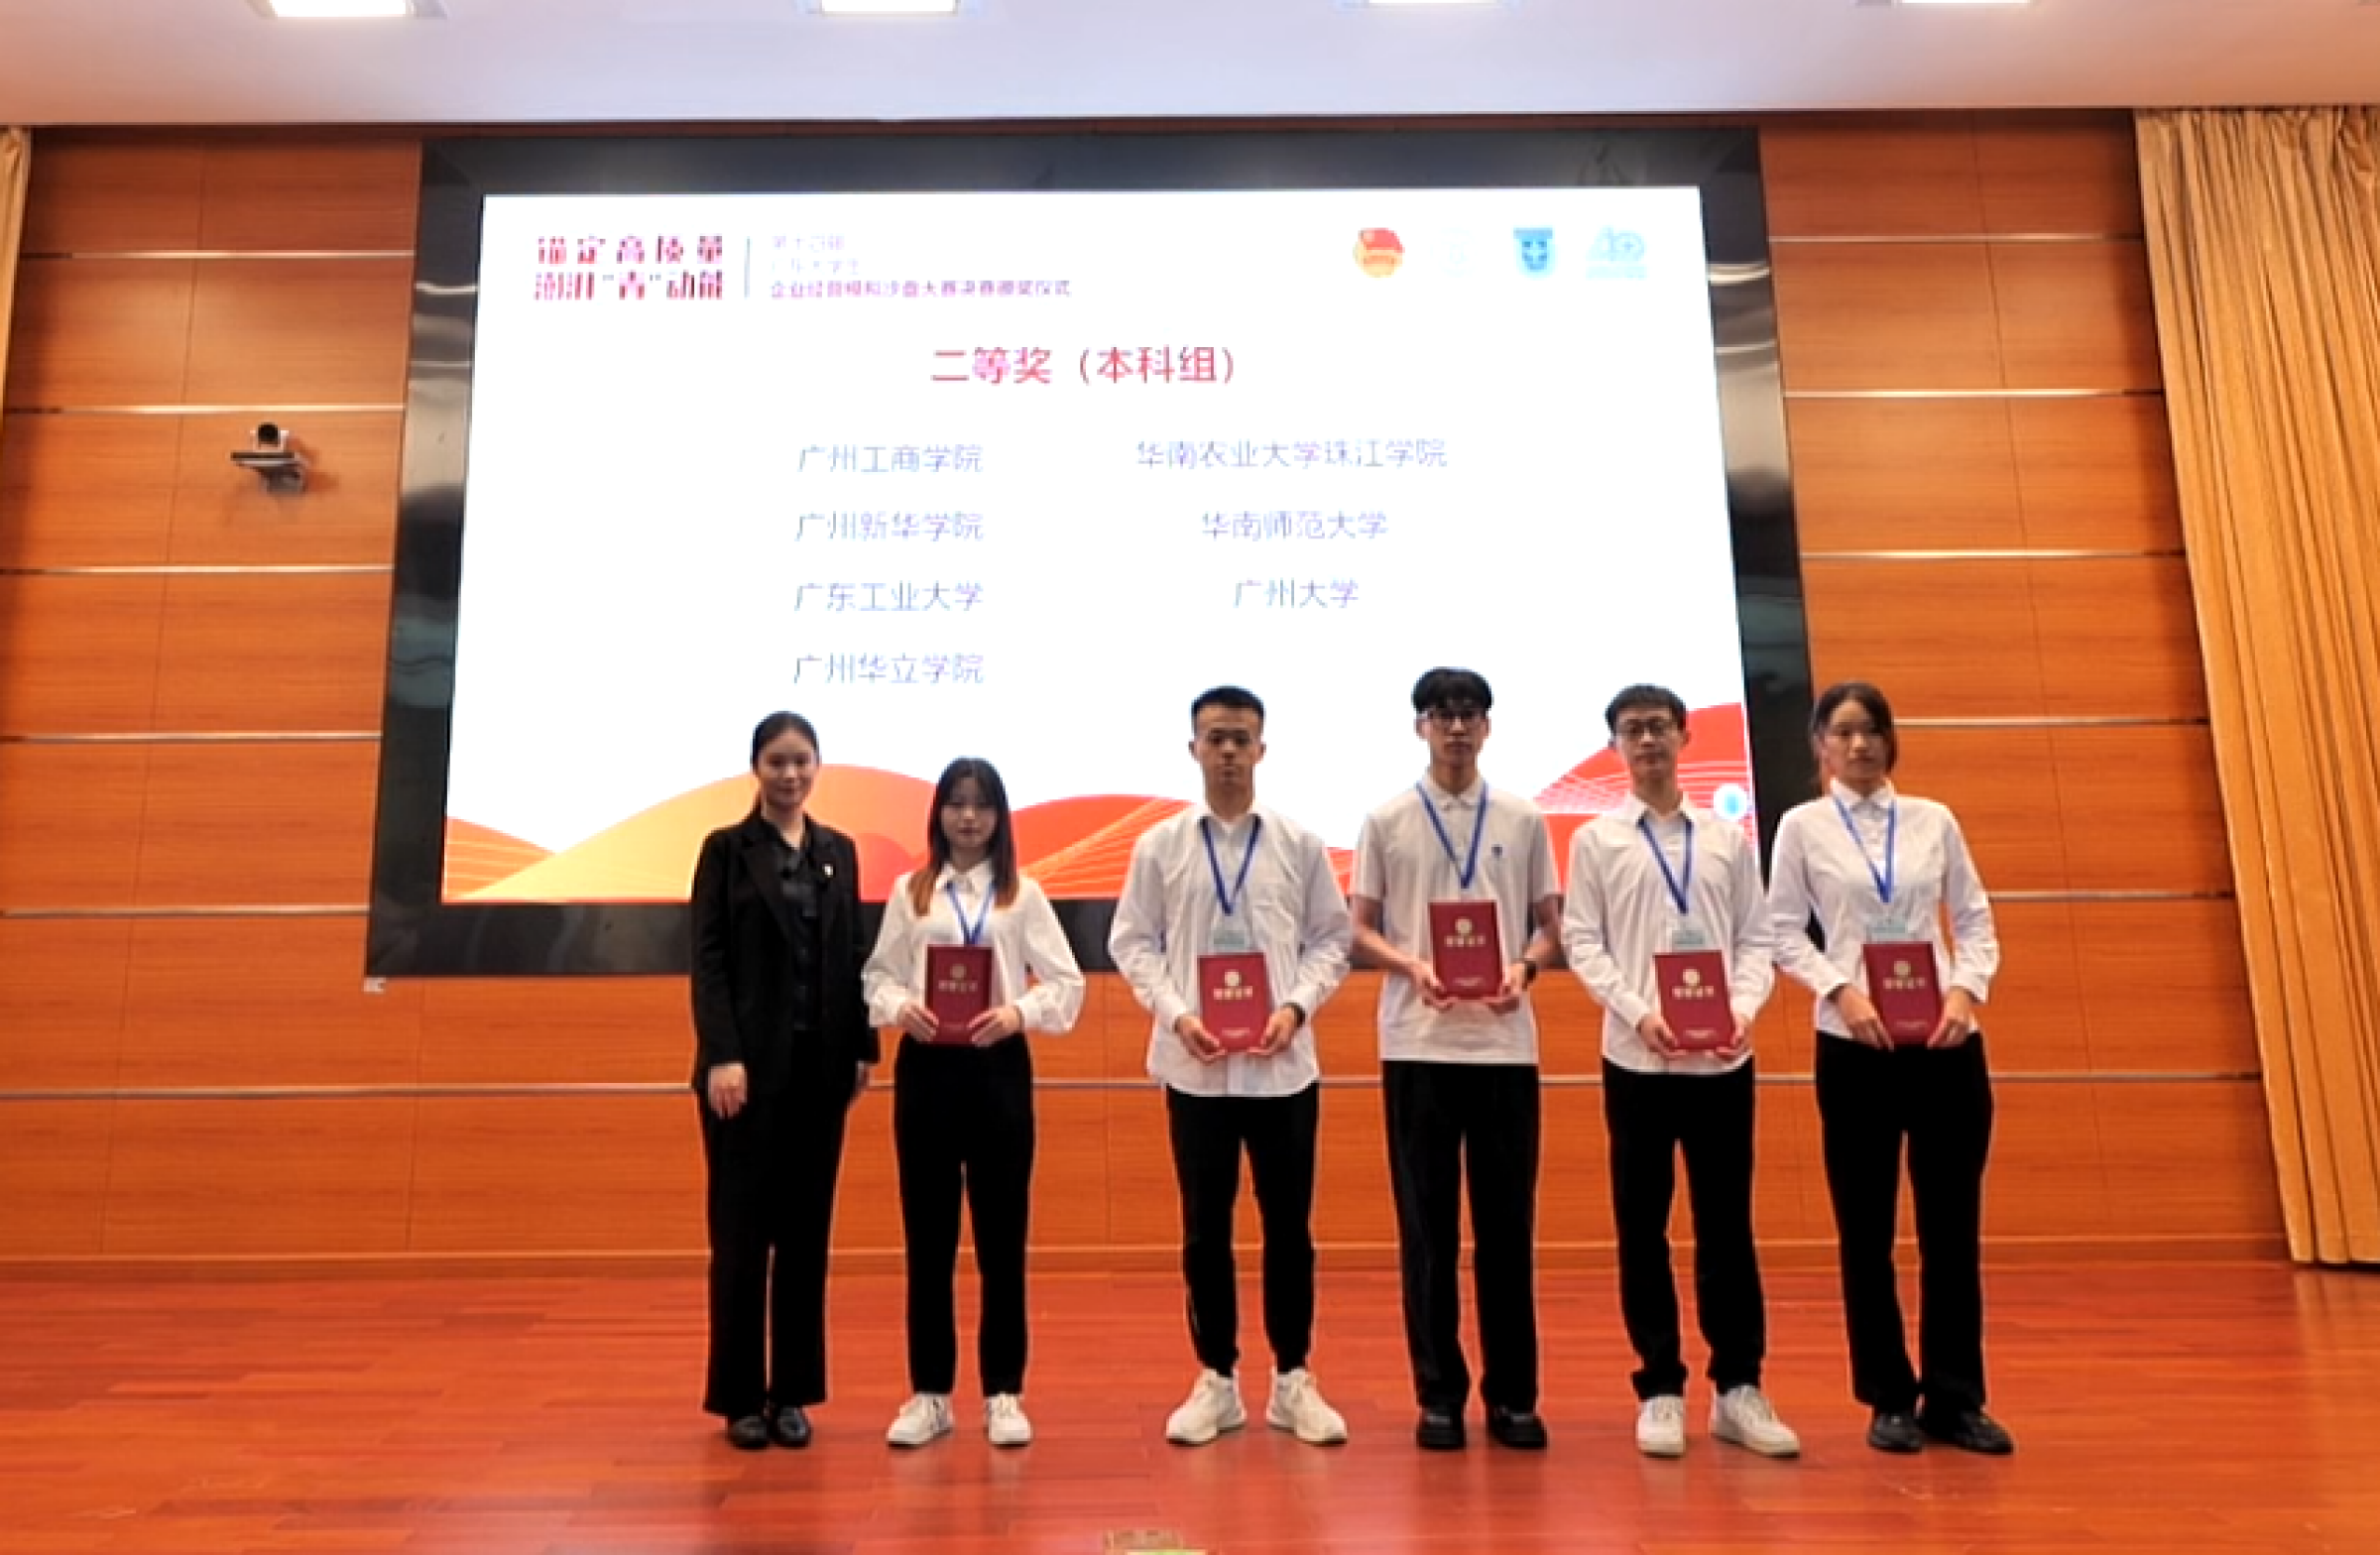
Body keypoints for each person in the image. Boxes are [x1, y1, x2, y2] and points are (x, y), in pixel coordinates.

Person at [1766, 680, 2014, 1457]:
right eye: (1843, 731)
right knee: (1865, 1228)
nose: (1860, 744)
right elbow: (1781, 931)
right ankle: (1888, 1397)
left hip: (1943, 1042)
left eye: (1872, 730)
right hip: (1856, 1045)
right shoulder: (1802, 826)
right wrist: (1840, 991)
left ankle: (1956, 1397)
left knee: (1952, 1228)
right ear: (1820, 744)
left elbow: (1973, 918)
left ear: (1889, 738)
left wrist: (1965, 990)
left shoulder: (1933, 819)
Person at [1110, 685, 1356, 1448]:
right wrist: (1177, 1013)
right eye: (1214, 738)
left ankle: (1293, 1377)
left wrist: (1296, 1008)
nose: (1227, 751)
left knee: (1289, 1228)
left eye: (1240, 739)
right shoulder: (1159, 846)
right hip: (1196, 1068)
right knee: (1204, 1228)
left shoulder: (1299, 843)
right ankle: (1216, 1377)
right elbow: (1131, 942)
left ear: (1261, 749)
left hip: (1283, 1069)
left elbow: (1332, 940)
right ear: (1193, 749)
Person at [1563, 683, 1800, 1460]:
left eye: (1659, 727)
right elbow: (1583, 941)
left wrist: (1742, 1009)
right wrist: (1640, 1013)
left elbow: (1756, 938)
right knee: (1643, 1226)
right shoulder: (1596, 841)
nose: (1647, 741)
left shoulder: (1727, 838)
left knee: (1727, 1224)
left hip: (1722, 1060)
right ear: (1615, 746)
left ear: (1684, 737)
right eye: (1632, 730)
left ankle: (1739, 1387)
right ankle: (1660, 1386)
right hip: (1638, 1058)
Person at [1348, 666, 1562, 1452]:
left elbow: (1551, 926)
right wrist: (1411, 965)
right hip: (1417, 1044)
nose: (1458, 727)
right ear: (1421, 727)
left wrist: (1525, 969)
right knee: (1427, 1230)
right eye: (1443, 714)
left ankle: (1514, 1397)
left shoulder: (1523, 817)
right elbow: (1356, 930)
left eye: (1471, 714)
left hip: (1505, 1046)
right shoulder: (1387, 820)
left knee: (1508, 1230)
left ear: (1488, 726)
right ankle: (1438, 1393)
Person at [863, 757, 1086, 1450]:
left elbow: (1068, 985)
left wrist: (1019, 1013)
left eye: (981, 804)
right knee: (928, 1240)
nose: (968, 817)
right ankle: (930, 1393)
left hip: (998, 1071)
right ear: (938, 814)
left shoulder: (1023, 895)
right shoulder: (911, 893)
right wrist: (901, 1006)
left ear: (999, 816)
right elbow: (876, 977)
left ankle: (1003, 1392)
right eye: (956, 803)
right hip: (927, 1070)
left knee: (1001, 1240)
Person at [688, 711, 876, 1451]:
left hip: (819, 1075)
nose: (790, 774)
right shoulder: (725, 850)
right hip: (743, 1075)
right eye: (777, 761)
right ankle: (738, 1396)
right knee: (740, 1240)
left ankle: (792, 1392)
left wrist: (862, 1049)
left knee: (805, 1239)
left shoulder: (839, 851)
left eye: (801, 760)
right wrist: (722, 1054)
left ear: (817, 766)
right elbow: (708, 960)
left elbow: (855, 954)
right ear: (756, 769)